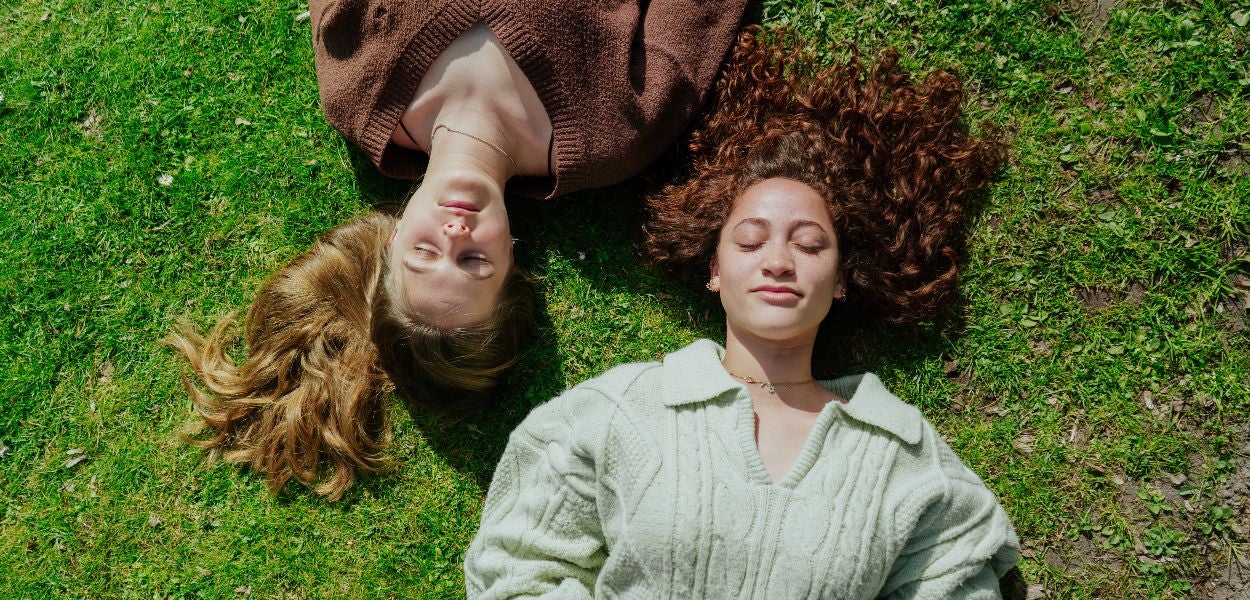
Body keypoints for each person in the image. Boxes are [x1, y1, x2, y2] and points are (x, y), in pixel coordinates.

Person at [464, 28, 1018, 597]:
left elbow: (958, 579)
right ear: (713, 270)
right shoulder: (619, 414)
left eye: (809, 245)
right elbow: (514, 565)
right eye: (750, 242)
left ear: (843, 279)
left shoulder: (900, 453)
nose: (778, 261)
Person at [167, 1, 748, 500]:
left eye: (424, 253)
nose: (454, 232)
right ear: (512, 260)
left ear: (392, 238)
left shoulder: (358, 90)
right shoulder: (615, 134)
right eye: (474, 263)